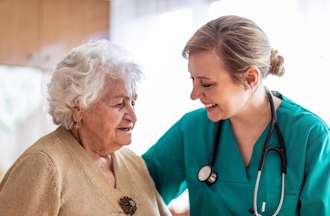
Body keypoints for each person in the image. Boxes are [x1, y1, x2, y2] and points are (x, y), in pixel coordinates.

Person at [143, 15, 330, 215]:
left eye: (206, 84)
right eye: (193, 80)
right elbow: (135, 186)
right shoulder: (192, 129)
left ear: (250, 78)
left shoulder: (310, 136)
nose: (194, 94)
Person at [0, 40, 170, 216]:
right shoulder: (43, 166)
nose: (133, 116)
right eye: (119, 104)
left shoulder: (133, 163)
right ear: (79, 109)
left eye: (133, 102)